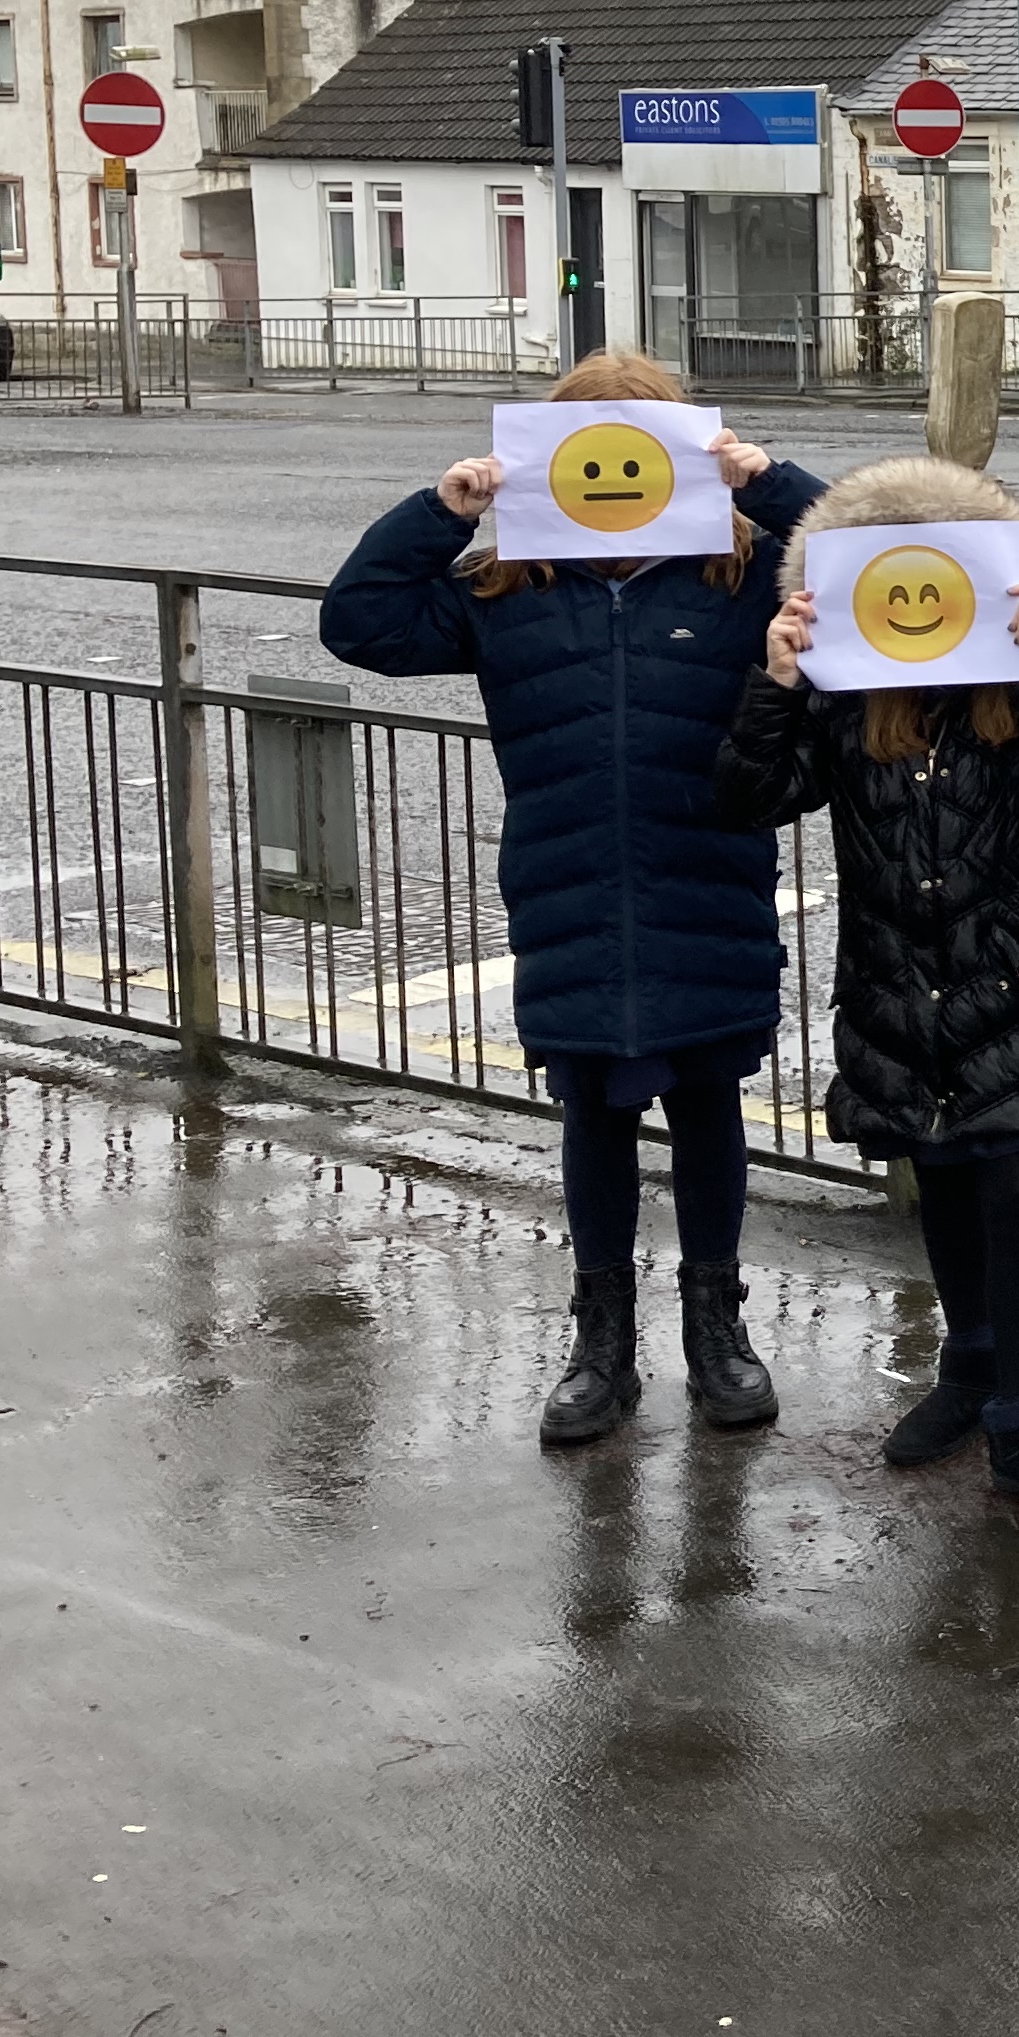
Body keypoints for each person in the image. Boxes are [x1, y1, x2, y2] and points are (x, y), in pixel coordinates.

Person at [319, 349, 825, 1445]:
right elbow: (360, 623)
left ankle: (717, 1332)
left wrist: (766, 480)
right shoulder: (509, 590)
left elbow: (860, 558)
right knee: (594, 1110)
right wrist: (440, 510)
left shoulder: (737, 582)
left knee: (706, 1108)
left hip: (707, 878)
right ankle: (601, 1344)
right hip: (569, 884)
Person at [713, 457, 1019, 1517]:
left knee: (1018, 1188)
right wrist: (777, 682)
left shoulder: (1018, 688)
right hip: (895, 980)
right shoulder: (850, 698)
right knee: (943, 1178)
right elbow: (750, 797)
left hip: (1009, 978)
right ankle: (969, 1369)